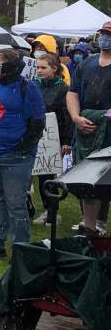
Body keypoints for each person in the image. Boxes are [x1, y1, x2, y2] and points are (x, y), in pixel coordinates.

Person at [0, 48, 46, 259]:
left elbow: (37, 122)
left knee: (16, 203)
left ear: (9, 66)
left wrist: (22, 148)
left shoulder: (28, 88)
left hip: (15, 156)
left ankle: (21, 248)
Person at [66, 20, 111, 237]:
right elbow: (73, 92)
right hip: (86, 128)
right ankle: (89, 225)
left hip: (110, 131)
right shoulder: (87, 64)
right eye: (103, 33)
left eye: (109, 34)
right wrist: (76, 117)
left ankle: (101, 222)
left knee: (106, 179)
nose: (105, 38)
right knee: (87, 179)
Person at [33, 51, 72, 225]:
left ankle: (53, 211)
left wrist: (66, 141)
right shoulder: (35, 85)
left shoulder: (63, 88)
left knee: (50, 175)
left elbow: (66, 116)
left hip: (54, 136)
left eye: (43, 67)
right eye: (37, 67)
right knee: (40, 175)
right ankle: (45, 208)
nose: (39, 71)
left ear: (54, 68)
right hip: (36, 134)